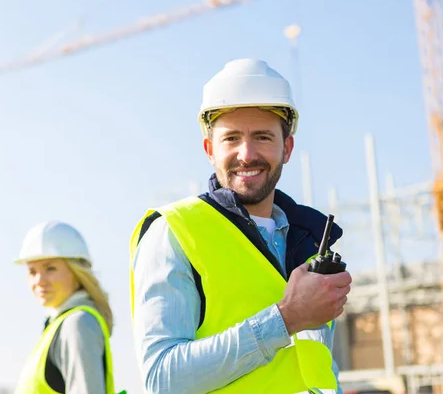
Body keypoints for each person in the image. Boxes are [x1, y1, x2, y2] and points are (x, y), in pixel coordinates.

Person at [128, 58, 352, 394]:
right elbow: (162, 378)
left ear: (286, 147)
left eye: (262, 137)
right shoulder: (175, 231)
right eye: (231, 139)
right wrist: (286, 318)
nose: (246, 154)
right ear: (209, 150)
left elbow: (316, 370)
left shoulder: (309, 245)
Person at [13, 220, 116, 394]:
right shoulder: (56, 327)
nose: (39, 280)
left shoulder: (78, 324)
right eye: (32, 271)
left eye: (50, 268)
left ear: (77, 273)